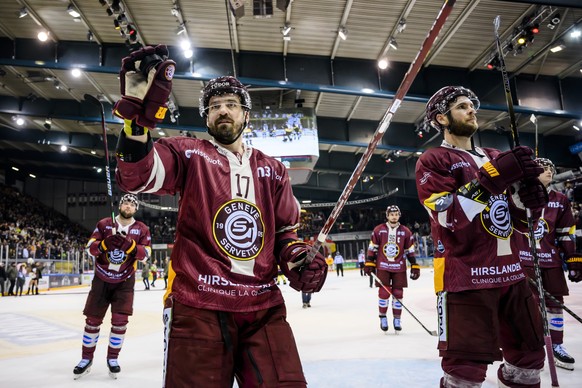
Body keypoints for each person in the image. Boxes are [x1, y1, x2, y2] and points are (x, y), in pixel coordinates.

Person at [113, 53, 328, 387]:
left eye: (231, 103)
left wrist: (298, 259)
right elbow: (137, 177)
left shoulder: (273, 170)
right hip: (199, 304)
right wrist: (135, 125)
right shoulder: (186, 152)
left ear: (245, 114)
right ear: (206, 117)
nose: (223, 110)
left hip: (263, 306)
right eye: (214, 106)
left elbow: (286, 235)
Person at [415, 86, 549, 387]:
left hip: (512, 275)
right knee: (464, 372)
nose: (472, 110)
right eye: (462, 107)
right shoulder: (433, 159)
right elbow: (447, 217)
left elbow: (522, 224)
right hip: (465, 278)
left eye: (471, 106)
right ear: (443, 119)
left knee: (529, 362)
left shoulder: (494, 155)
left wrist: (531, 200)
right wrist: (491, 178)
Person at [512, 157, 582, 370]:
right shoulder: (516, 196)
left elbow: (565, 232)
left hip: (550, 261)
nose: (550, 172)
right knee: (528, 306)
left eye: (552, 168)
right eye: (544, 169)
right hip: (524, 261)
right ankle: (532, 348)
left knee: (554, 306)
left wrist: (574, 259)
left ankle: (557, 346)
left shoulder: (560, 199)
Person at [73, 193, 151, 380]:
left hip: (125, 282)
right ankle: (86, 359)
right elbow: (90, 248)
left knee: (120, 322)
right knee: (92, 321)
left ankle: (113, 359)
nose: (128, 206)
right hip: (101, 279)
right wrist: (104, 244)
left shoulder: (142, 229)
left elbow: (146, 254)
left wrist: (130, 246)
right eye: (125, 203)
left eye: (132, 205)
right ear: (120, 205)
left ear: (136, 209)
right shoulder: (104, 223)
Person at [364, 205, 419, 332]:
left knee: (398, 294)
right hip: (383, 266)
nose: (394, 217)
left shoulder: (406, 231)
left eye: (396, 214)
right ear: (387, 216)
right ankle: (383, 317)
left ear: (399, 215)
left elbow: (410, 250)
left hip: (399, 267)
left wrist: (414, 264)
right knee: (384, 293)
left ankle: (397, 319)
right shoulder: (379, 230)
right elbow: (373, 247)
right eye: (391, 214)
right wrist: (369, 262)